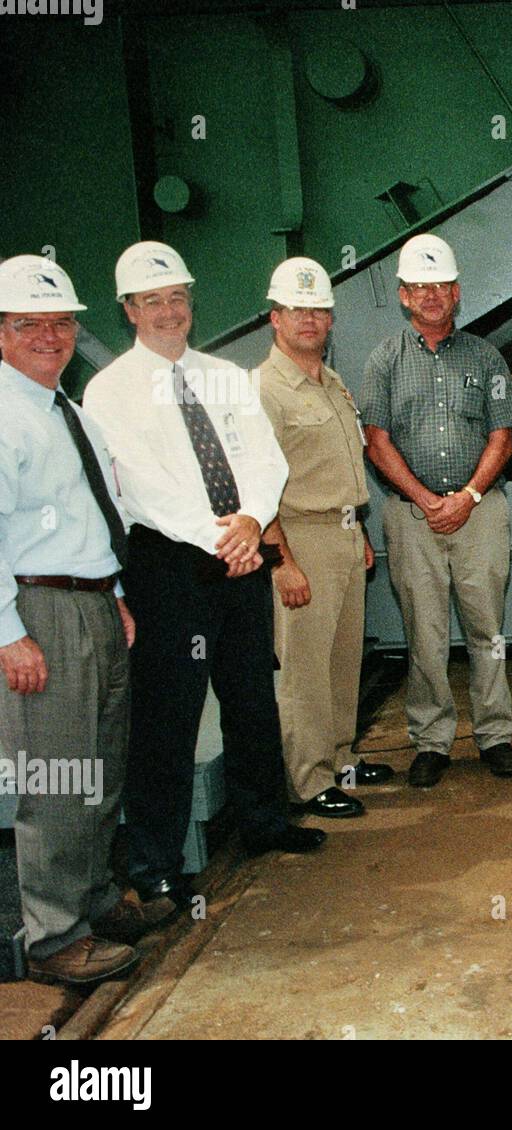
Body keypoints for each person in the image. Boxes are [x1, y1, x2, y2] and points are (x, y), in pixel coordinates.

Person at [82, 240, 324, 917]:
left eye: (177, 298)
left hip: (239, 555)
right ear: (129, 310)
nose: (169, 311)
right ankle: (156, 863)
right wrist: (225, 538)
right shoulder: (109, 391)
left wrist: (250, 522)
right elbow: (142, 485)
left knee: (250, 693)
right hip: (172, 565)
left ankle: (263, 822)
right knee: (168, 714)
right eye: (153, 301)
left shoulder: (223, 375)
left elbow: (263, 458)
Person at [0, 256, 163, 984]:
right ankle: (54, 938)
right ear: (1, 333)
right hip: (39, 609)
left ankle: (95, 901)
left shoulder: (69, 414)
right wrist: (8, 632)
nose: (49, 335)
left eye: (60, 322)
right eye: (29, 323)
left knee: (100, 763)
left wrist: (116, 593)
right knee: (56, 777)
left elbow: (95, 515)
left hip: (93, 601)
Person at [360, 233, 512, 787]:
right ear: (405, 297)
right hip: (413, 519)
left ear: (457, 294)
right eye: (419, 287)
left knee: (489, 628)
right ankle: (431, 741)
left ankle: (495, 735)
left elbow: (503, 435)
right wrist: (428, 500)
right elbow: (376, 440)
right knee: (424, 633)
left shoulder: (485, 356)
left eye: (441, 286)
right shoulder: (384, 360)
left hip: (480, 512)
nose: (431, 296)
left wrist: (468, 496)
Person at [258, 257, 389, 819]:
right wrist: (280, 561)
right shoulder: (264, 389)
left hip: (340, 533)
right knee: (304, 667)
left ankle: (341, 758)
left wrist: (356, 528)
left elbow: (342, 466)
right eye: (296, 310)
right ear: (275, 319)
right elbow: (255, 485)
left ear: (330, 319)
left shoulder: (331, 382)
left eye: (317, 310)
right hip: (298, 538)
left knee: (342, 660)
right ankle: (308, 779)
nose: (308, 320)